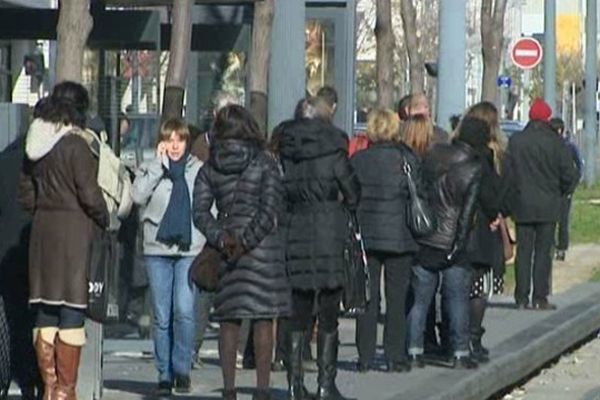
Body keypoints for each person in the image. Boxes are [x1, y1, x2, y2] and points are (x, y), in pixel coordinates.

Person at [18, 81, 109, 399]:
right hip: (74, 232)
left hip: (43, 232)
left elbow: (26, 194)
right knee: (72, 308)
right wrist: (103, 217)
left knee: (45, 309)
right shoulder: (76, 145)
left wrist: (43, 207)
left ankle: (49, 388)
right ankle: (65, 392)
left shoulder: (36, 143)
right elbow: (90, 194)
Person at [193, 105, 291, 400]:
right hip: (262, 250)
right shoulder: (265, 162)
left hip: (227, 247)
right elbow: (270, 207)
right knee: (263, 317)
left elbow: (199, 211)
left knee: (228, 318)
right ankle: (262, 390)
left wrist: (223, 239)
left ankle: (229, 389)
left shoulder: (211, 165)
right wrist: (248, 240)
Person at [278, 97, 360, 400]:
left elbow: (280, 193)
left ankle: (293, 385)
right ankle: (326, 385)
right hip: (329, 231)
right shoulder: (334, 152)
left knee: (297, 310)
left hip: (296, 229)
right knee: (328, 311)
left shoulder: (287, 152)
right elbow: (353, 193)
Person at [131, 118, 204, 395]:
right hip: (157, 249)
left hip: (189, 248)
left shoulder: (197, 169)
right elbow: (137, 196)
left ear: (186, 142)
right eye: (169, 139)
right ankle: (164, 373)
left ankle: (182, 369)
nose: (175, 145)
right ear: (162, 142)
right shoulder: (151, 166)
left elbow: (208, 204)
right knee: (161, 315)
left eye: (180, 139)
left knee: (184, 311)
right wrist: (156, 168)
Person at [407, 116, 484, 370]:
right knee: (456, 299)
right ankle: (460, 352)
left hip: (427, 237)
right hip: (453, 241)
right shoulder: (474, 168)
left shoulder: (433, 154)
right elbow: (466, 214)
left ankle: (414, 351)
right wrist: (458, 246)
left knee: (420, 300)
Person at [350, 109, 420, 373]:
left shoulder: (358, 160)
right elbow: (419, 192)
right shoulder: (406, 159)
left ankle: (365, 356)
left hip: (366, 235)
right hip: (399, 235)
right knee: (397, 297)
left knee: (367, 298)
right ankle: (394, 356)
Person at [504, 99, 579, 310]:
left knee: (524, 252)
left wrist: (510, 200)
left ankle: (521, 297)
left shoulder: (517, 141)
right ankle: (540, 297)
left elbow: (508, 174)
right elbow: (569, 174)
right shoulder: (556, 143)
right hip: (548, 204)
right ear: (547, 118)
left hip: (522, 204)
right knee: (544, 252)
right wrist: (562, 193)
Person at [461, 101, 508, 361]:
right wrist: (496, 214)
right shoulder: (490, 157)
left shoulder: (454, 152)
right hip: (481, 231)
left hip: (456, 230)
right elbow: (495, 194)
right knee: (479, 288)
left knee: (459, 287)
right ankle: (472, 338)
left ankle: (458, 338)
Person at [549, 117, 583, 261]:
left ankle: (561, 248)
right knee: (550, 221)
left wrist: (573, 186)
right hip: (551, 190)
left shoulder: (569, 147)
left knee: (563, 221)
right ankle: (551, 246)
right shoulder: (548, 147)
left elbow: (579, 167)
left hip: (564, 190)